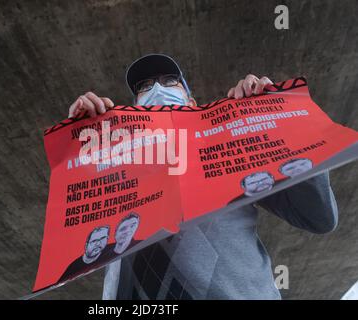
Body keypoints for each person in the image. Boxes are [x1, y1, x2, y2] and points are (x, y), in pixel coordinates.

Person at [68, 54, 338, 300]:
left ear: (192, 102)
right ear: (134, 108)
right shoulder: (116, 166)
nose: (157, 90)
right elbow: (75, 248)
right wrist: (75, 145)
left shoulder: (230, 147)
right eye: (145, 87)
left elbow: (319, 217)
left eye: (170, 81)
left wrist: (282, 120)